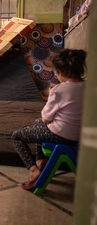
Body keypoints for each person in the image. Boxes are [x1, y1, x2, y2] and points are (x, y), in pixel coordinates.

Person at [11, 49, 87, 190]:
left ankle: (33, 168)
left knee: (17, 136)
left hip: (60, 135)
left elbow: (45, 118)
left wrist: (52, 92)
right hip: (79, 135)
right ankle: (41, 160)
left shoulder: (60, 90)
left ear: (61, 73)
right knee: (37, 124)